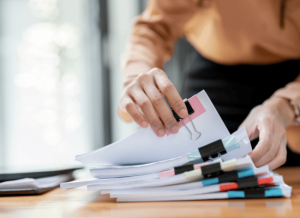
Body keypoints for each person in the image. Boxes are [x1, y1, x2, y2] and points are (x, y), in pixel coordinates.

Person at [118, 0, 300, 170]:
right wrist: (136, 76)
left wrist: (286, 106)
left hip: (294, 79)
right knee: (190, 177)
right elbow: (156, 26)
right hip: (215, 78)